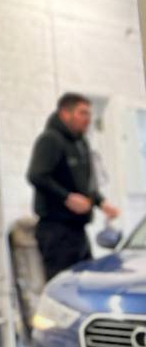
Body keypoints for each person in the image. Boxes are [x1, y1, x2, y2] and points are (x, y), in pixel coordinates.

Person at [27, 92, 120, 281]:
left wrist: (101, 203)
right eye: (82, 113)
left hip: (77, 230)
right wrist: (67, 197)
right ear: (65, 114)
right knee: (62, 285)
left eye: (89, 114)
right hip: (56, 231)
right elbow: (37, 175)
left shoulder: (81, 144)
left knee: (85, 282)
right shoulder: (50, 140)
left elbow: (84, 186)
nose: (88, 119)